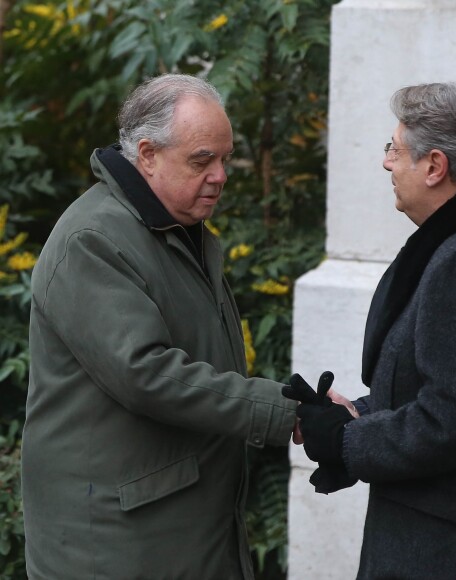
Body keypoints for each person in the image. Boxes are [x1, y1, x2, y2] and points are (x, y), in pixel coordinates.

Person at [284, 82, 456, 579]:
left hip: (451, 554)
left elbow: (455, 422)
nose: (387, 163)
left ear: (435, 166)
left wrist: (348, 440)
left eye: (395, 149)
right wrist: (356, 413)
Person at [21, 73, 297, 580]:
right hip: (113, 547)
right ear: (146, 154)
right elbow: (146, 373)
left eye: (224, 158)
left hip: (173, 530)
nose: (220, 175)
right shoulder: (94, 239)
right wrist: (285, 412)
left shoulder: (174, 226)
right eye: (201, 160)